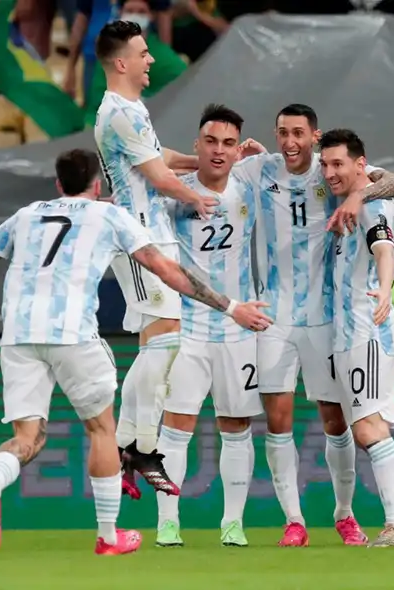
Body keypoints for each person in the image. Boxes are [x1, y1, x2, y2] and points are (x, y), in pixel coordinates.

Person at [0, 149, 271, 555]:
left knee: (27, 436)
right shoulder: (109, 216)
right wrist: (231, 306)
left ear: (58, 184)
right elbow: (166, 270)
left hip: (18, 336)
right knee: (102, 430)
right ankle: (109, 536)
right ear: (97, 185)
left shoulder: (26, 215)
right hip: (72, 333)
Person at [232, 104, 394, 547]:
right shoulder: (260, 169)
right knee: (278, 420)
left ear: (315, 135)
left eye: (298, 133)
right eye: (281, 133)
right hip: (274, 316)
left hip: (331, 322)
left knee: (341, 422)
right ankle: (294, 520)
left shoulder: (343, 178)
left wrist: (357, 196)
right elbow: (209, 174)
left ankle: (347, 515)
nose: (289, 142)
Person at [93, 19, 221, 499]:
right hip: (138, 237)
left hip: (152, 234)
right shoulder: (118, 113)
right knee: (164, 339)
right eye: (144, 53)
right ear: (121, 62)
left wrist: (202, 164)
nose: (151, 59)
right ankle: (137, 445)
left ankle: (131, 447)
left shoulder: (130, 108)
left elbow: (157, 157)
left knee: (161, 339)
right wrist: (200, 197)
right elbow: (157, 175)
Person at [154, 104, 262, 548]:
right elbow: (135, 161)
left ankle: (232, 522)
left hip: (240, 330)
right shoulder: (172, 193)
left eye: (228, 144)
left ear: (239, 150)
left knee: (236, 428)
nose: (219, 151)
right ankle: (167, 522)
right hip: (189, 327)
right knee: (174, 428)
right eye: (211, 142)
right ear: (197, 145)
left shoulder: (252, 188)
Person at [321, 128, 394, 548]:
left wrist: (385, 285)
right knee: (361, 427)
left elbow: (383, 247)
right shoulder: (352, 199)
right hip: (348, 334)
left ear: (361, 165)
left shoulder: (374, 206)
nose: (329, 172)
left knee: (369, 428)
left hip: (370, 330)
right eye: (325, 164)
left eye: (338, 163)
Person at [82, 0, 187, 128]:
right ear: (120, 13)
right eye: (130, 11)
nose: (135, 16)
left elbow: (184, 88)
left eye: (141, 12)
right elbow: (98, 97)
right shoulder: (109, 53)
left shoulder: (164, 57)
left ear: (151, 15)